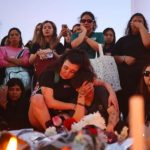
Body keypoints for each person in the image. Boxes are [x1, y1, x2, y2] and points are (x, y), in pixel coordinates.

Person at [28, 49, 118, 131]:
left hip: (63, 116)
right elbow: (50, 102)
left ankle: (61, 133)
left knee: (74, 117)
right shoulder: (49, 73)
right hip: (40, 114)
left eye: (72, 71)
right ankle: (51, 132)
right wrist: (74, 106)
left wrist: (112, 93)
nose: (67, 73)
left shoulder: (78, 78)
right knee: (37, 98)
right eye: (65, 68)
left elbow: (102, 83)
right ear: (62, 62)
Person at [112, 13, 150, 120]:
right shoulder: (123, 40)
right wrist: (123, 58)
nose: (137, 22)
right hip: (126, 77)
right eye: (135, 20)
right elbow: (113, 57)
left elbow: (147, 43)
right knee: (126, 103)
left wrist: (141, 27)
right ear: (130, 24)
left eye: (140, 21)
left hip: (144, 75)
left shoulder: (148, 36)